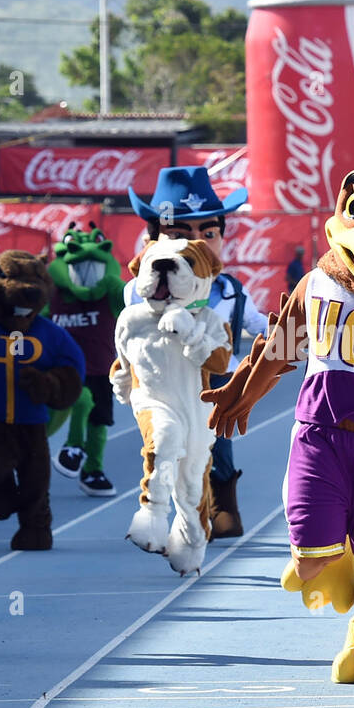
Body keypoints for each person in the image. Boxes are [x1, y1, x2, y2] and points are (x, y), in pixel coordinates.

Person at [126, 166, 266, 537]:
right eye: (180, 233)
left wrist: (302, 337)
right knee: (168, 448)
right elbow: (129, 334)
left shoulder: (233, 290)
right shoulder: (140, 289)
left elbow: (262, 327)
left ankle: (222, 508)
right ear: (154, 239)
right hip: (166, 383)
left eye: (209, 233)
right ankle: (172, 512)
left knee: (217, 448)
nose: (198, 243)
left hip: (218, 380)